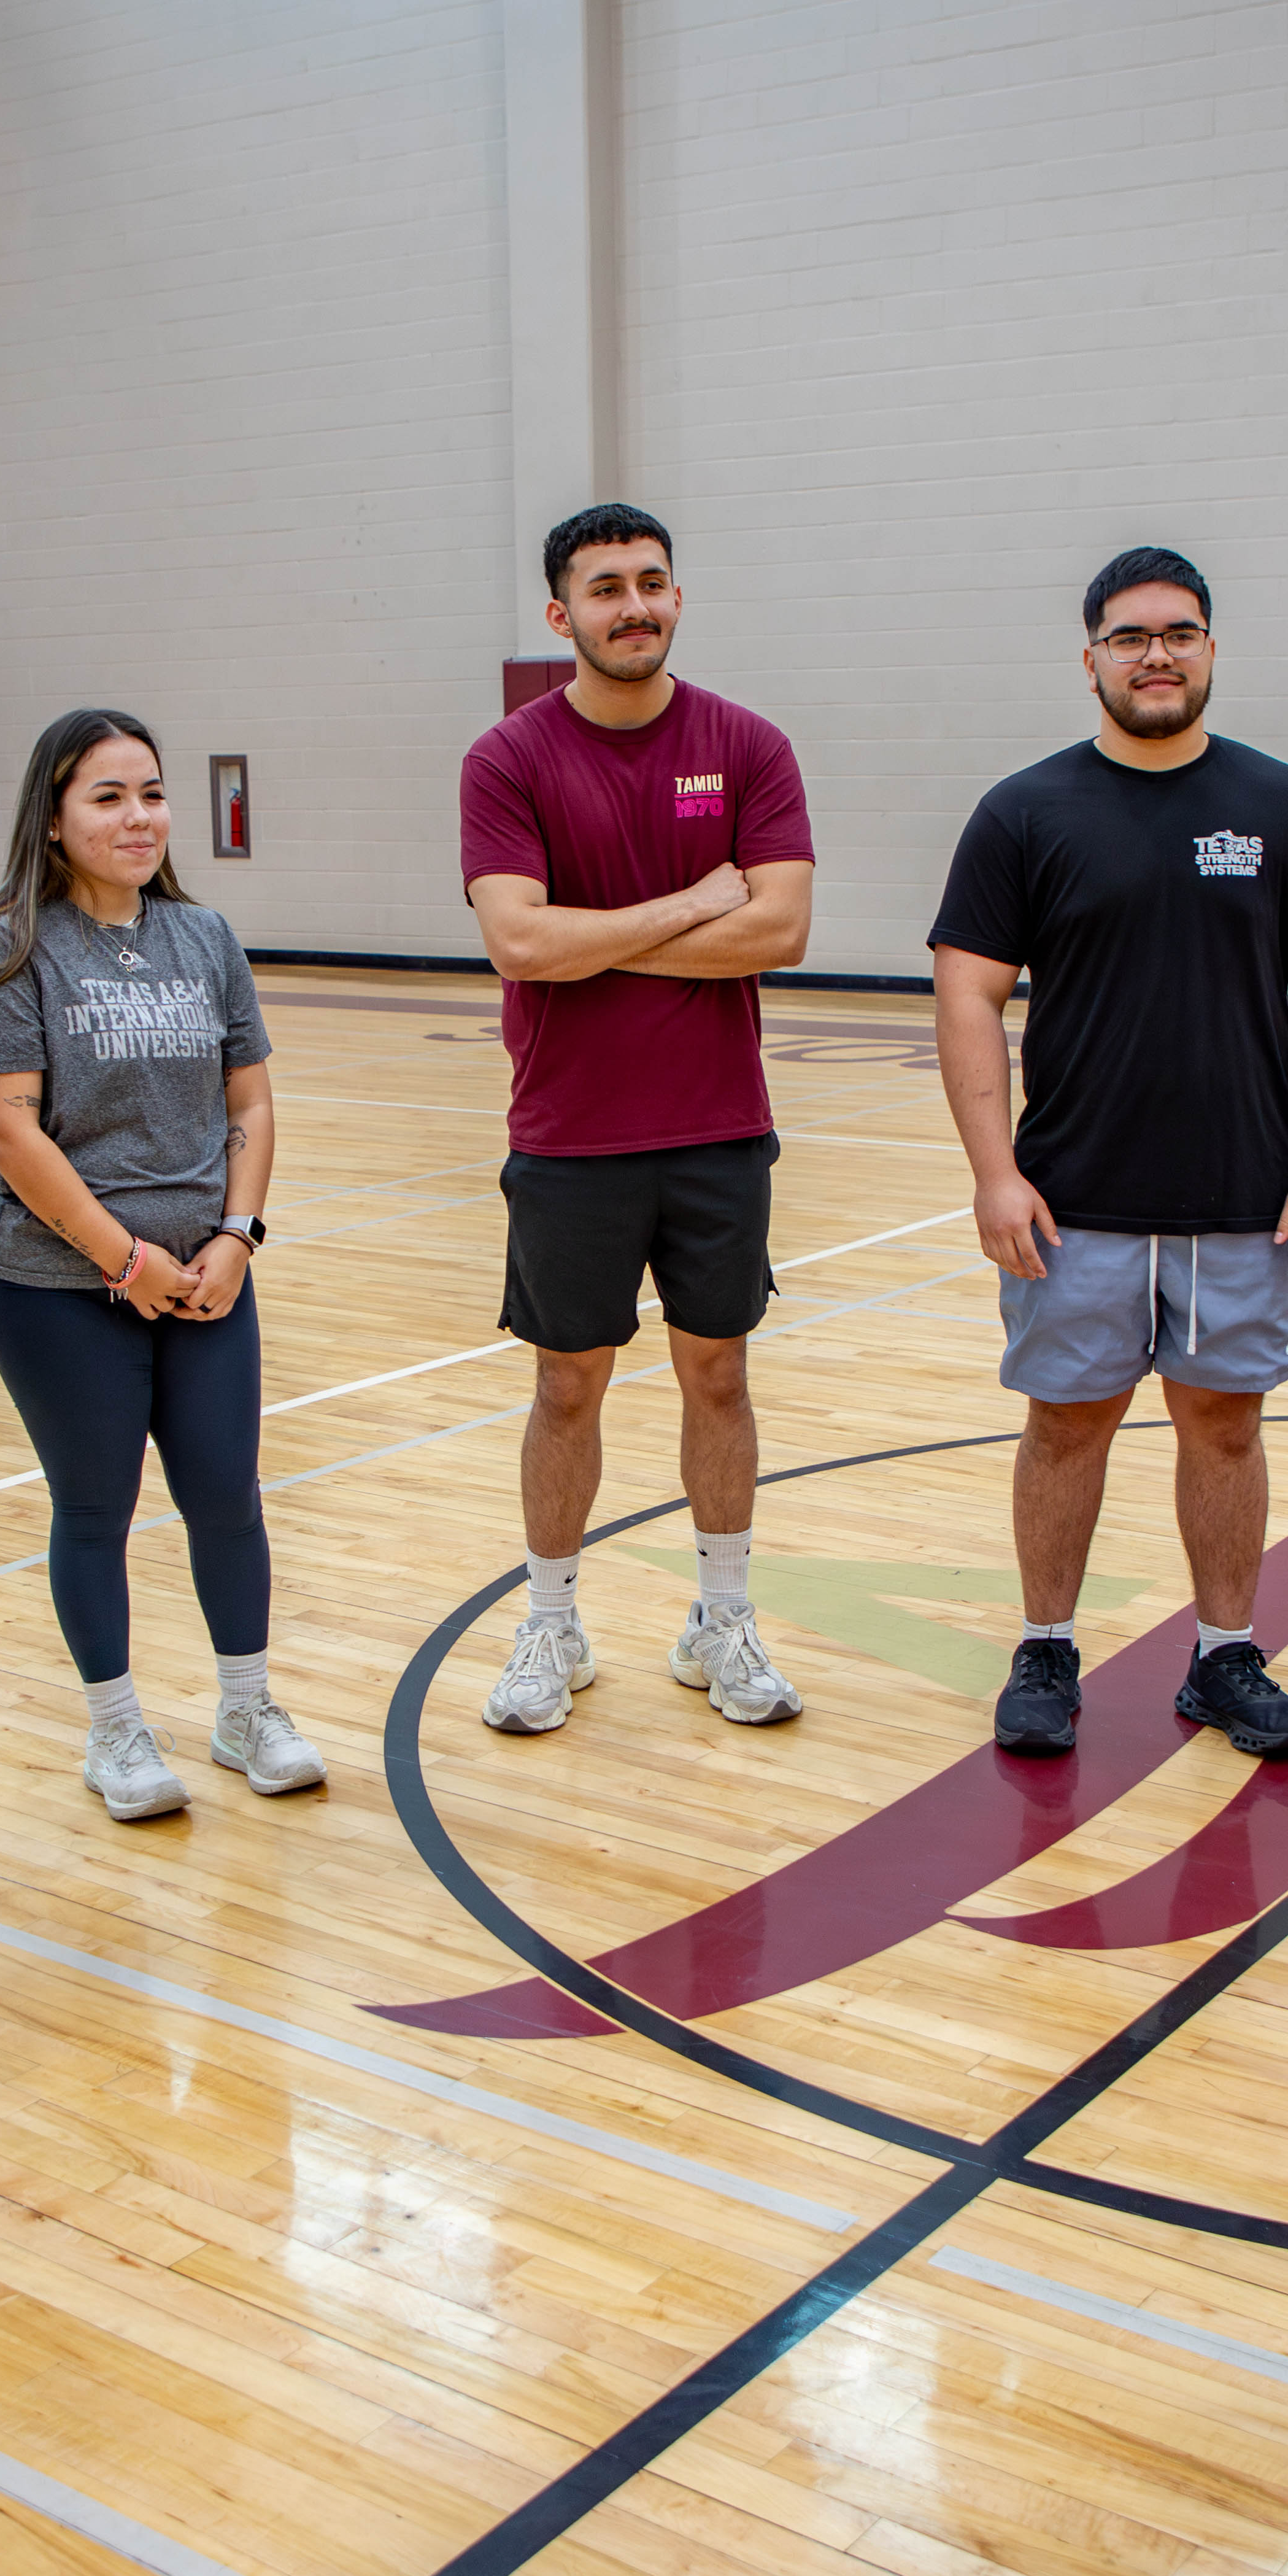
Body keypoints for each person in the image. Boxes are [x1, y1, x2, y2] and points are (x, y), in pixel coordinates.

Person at [927, 547, 1288, 1760]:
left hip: (1244, 1198)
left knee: (1224, 1428)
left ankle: (1224, 1657)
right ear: (1090, 661)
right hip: (1071, 1199)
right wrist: (993, 1171)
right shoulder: (1025, 812)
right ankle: (1046, 1647)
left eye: (1179, 633)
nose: (1156, 655)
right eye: (1130, 637)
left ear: (1211, 650)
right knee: (1065, 1427)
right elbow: (968, 994)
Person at [458, 503, 817, 1733]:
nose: (634, 606)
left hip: (718, 1129)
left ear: (677, 595)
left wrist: (593, 942)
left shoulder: (749, 745)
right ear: (560, 613)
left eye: (652, 582)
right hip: (568, 1135)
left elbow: (780, 928)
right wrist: (693, 905)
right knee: (567, 1388)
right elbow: (518, 943)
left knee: (719, 1374)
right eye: (606, 588)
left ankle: (721, 1619)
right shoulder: (508, 759)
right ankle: (551, 1625)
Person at [0, 707, 319, 1820]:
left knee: (227, 1499)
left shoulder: (202, 937)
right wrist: (123, 1259)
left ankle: (246, 1711)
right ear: (54, 818)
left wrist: (236, 1237)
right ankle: (115, 1732)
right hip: (57, 1286)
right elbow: (9, 1129)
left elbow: (249, 1101)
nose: (139, 817)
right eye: (106, 797)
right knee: (95, 1509)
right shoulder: (9, 944)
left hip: (207, 1278)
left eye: (150, 793)